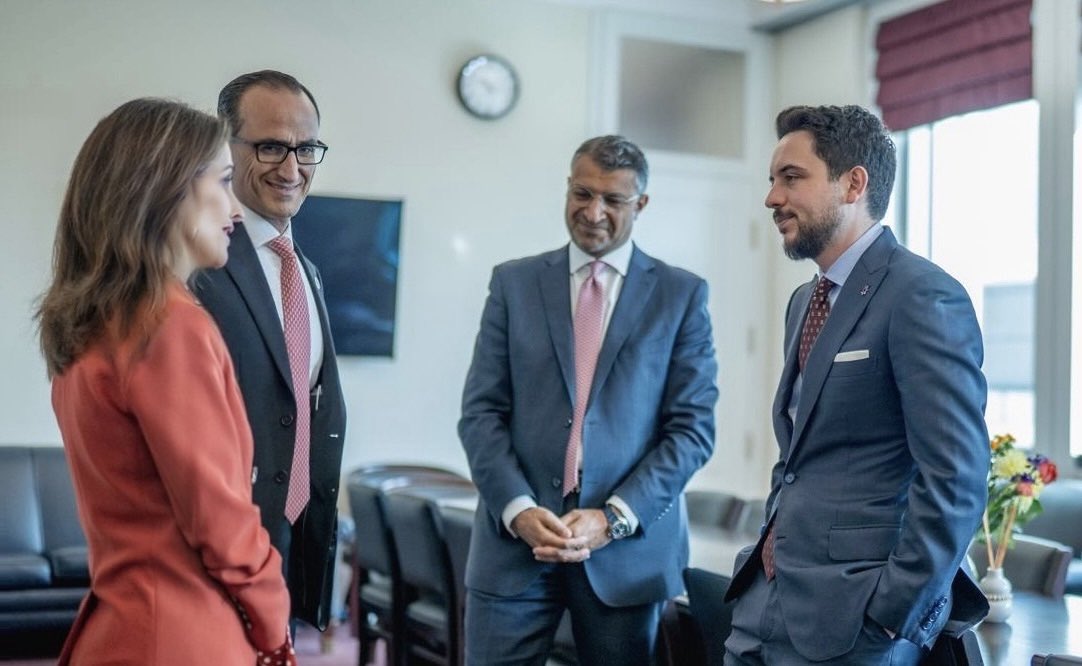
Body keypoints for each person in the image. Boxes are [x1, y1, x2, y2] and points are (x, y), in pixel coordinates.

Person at [723, 105, 990, 665]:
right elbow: (797, 455)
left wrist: (894, 611)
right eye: (772, 180)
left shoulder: (921, 294)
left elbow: (957, 475)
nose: (772, 198)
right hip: (764, 606)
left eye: (791, 178)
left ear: (853, 183)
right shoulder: (805, 301)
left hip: (856, 623)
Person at [36, 98, 296, 665]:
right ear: (168, 188)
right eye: (224, 181)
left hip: (119, 627)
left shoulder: (92, 325)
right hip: (182, 636)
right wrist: (275, 621)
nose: (234, 207)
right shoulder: (171, 324)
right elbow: (220, 520)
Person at [458, 135, 718, 665]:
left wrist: (614, 517)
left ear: (640, 204)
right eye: (582, 193)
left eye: (613, 200)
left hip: (627, 558)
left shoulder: (681, 295)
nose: (593, 212)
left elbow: (692, 430)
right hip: (515, 548)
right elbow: (481, 413)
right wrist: (518, 508)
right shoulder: (513, 284)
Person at [191, 70, 347, 630]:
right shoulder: (196, 260)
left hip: (289, 540)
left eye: (306, 148)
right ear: (225, 146)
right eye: (272, 146)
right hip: (215, 553)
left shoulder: (306, 268)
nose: (292, 168)